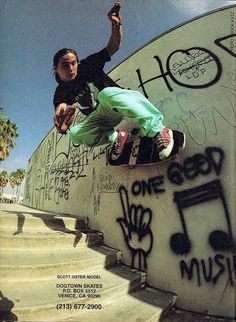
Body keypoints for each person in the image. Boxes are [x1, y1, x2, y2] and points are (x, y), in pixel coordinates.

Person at [53, 2, 174, 161]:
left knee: (106, 94)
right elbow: (60, 107)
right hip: (102, 117)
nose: (71, 68)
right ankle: (117, 137)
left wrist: (116, 25)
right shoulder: (61, 90)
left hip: (116, 102)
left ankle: (159, 130)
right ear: (56, 68)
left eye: (73, 63)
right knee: (75, 134)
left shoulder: (88, 65)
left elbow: (112, 47)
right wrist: (62, 127)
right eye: (65, 65)